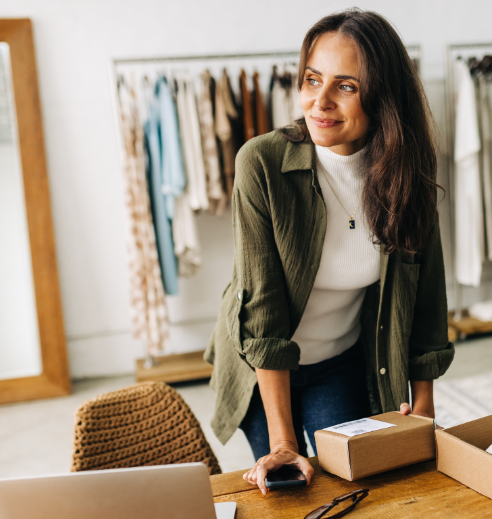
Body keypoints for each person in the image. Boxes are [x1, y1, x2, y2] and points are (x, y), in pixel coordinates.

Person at [204, 9, 454, 495]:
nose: (319, 102)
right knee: (287, 486)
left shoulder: (408, 179)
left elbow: (427, 300)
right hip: (262, 365)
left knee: (353, 484)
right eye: (312, 80)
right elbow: (263, 313)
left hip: (340, 360)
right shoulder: (263, 163)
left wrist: (423, 406)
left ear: (382, 95)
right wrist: (282, 443)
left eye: (346, 86)